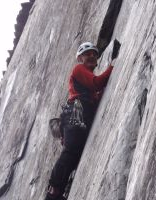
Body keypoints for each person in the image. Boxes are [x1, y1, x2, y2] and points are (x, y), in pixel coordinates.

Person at [45, 42, 114, 200]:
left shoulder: (86, 79)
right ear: (80, 58)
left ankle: (57, 193)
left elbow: (94, 94)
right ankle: (53, 191)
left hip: (79, 118)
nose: (91, 56)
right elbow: (97, 83)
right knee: (71, 151)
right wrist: (112, 68)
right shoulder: (78, 70)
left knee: (74, 155)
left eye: (94, 54)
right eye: (87, 54)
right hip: (75, 115)